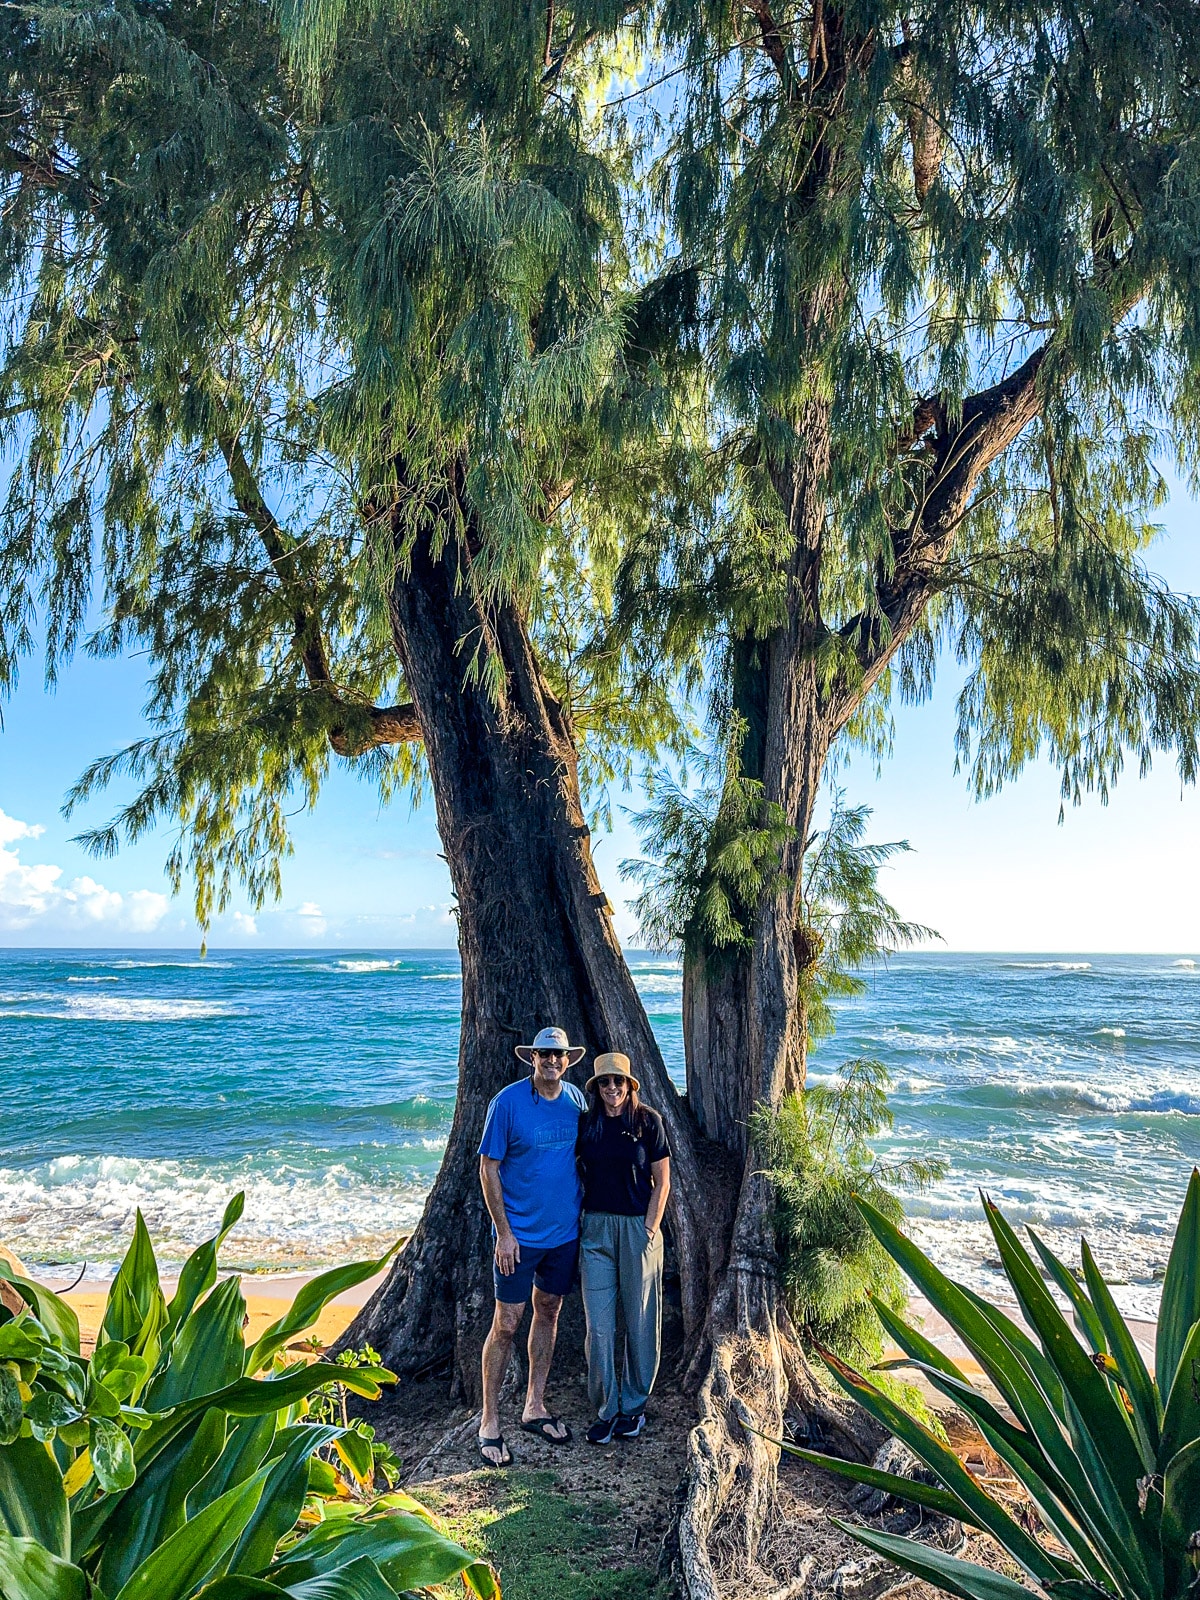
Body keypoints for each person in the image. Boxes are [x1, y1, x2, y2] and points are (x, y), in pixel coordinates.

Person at [476, 1025, 588, 1467]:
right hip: (517, 1239)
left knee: (550, 1311)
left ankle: (534, 1405)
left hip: (563, 1236)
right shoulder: (507, 1103)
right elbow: (488, 1169)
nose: (551, 1061)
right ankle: (489, 1421)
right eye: (544, 1054)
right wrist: (503, 1231)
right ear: (532, 1058)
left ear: (568, 1060)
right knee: (506, 1322)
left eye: (558, 1055)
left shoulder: (576, 1100)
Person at [577, 1050, 671, 1445]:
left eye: (618, 1082)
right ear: (596, 1088)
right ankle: (605, 1408)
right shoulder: (587, 1123)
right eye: (604, 1082)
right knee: (598, 1328)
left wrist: (650, 1228)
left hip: (638, 1230)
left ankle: (633, 1406)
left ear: (629, 1085)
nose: (612, 1088)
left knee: (640, 1322)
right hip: (596, 1231)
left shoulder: (648, 1122)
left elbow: (662, 1181)